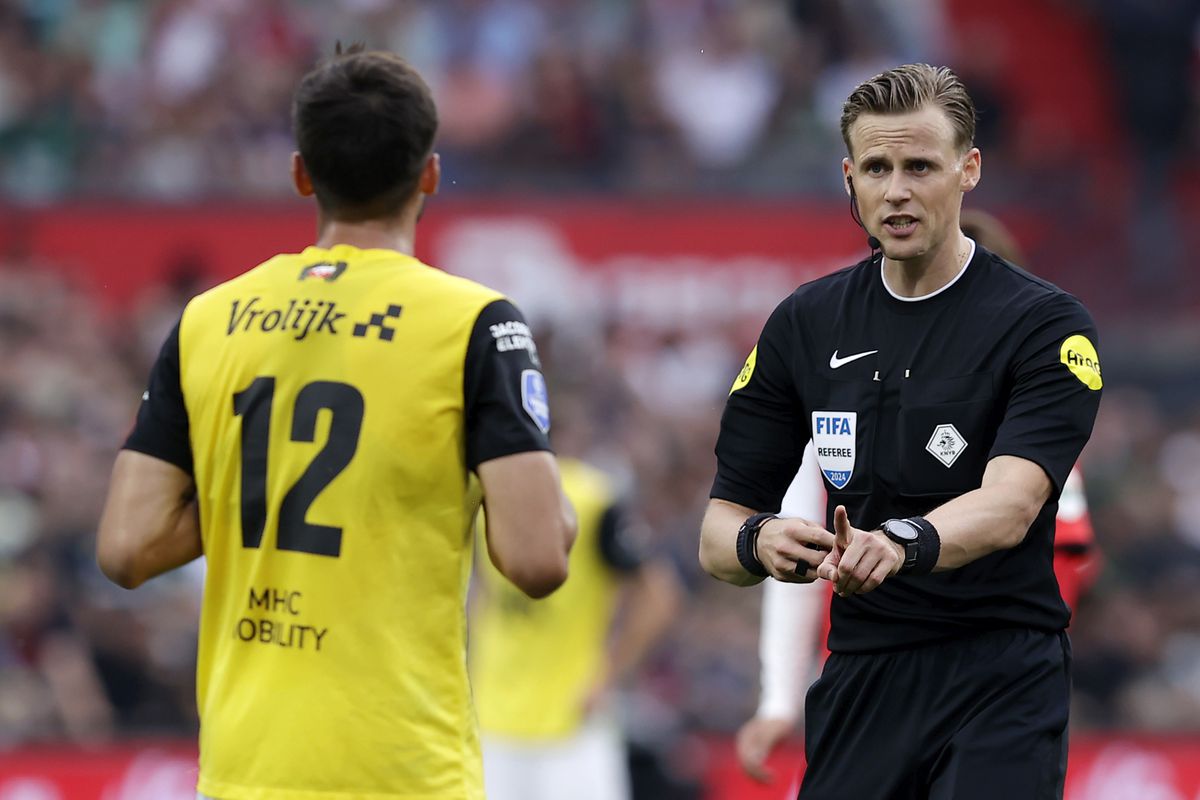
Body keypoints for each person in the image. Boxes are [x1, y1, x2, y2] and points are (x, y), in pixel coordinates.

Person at [95, 46, 576, 800]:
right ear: (430, 175)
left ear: (300, 173)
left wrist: (249, 479)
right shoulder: (474, 324)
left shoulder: (207, 320)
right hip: (401, 771)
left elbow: (126, 548)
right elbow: (537, 559)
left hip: (245, 770)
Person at [700, 63, 1103, 799]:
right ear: (849, 176)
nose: (897, 190)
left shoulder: (1046, 325)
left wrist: (901, 543)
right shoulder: (804, 323)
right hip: (861, 678)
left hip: (999, 676)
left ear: (968, 169)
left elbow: (1011, 506)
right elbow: (717, 532)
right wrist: (758, 540)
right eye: (877, 168)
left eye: (920, 165)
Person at [470, 452, 681, 800]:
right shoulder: (482, 495)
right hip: (494, 722)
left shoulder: (592, 500)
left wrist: (609, 674)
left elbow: (659, 596)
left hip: (569, 723)